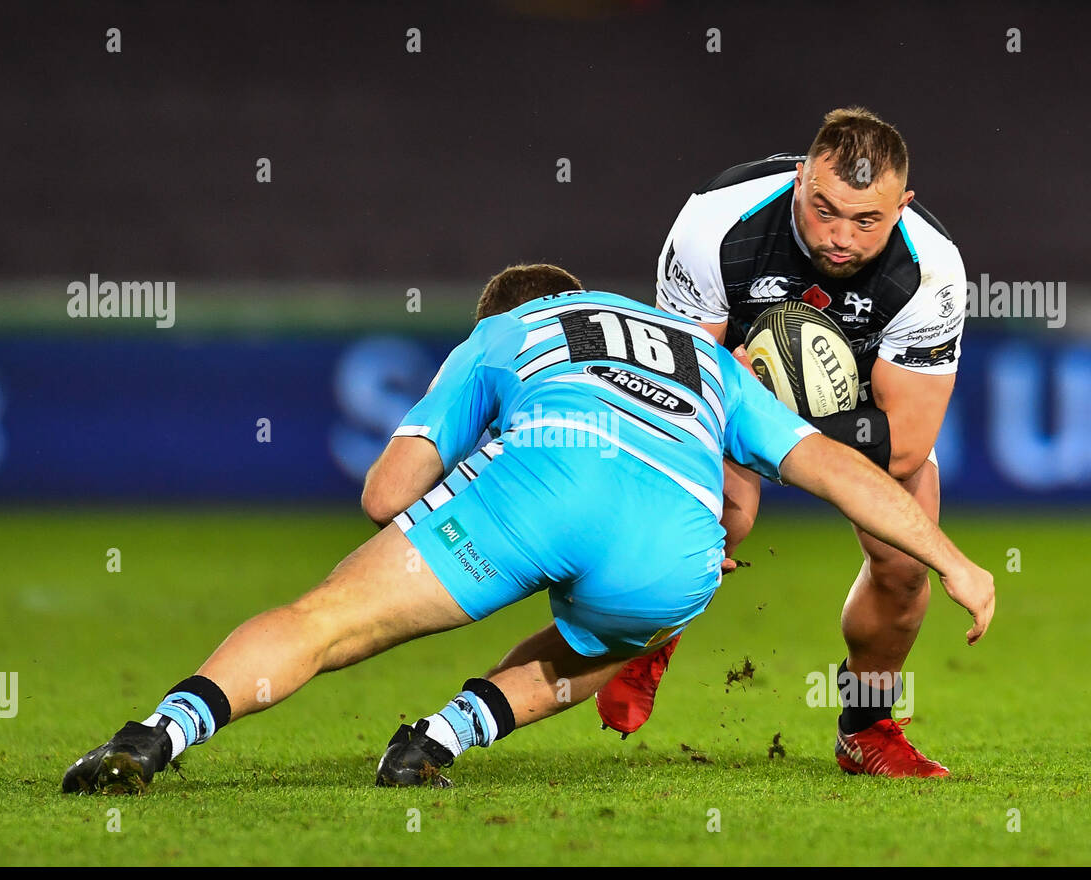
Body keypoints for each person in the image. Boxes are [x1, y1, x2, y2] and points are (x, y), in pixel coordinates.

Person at [61, 268, 992, 795]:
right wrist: (951, 561)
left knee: (326, 619)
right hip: (672, 553)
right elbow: (835, 470)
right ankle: (434, 742)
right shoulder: (705, 356)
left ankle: (153, 738)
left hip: (541, 481)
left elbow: (388, 493)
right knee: (596, 641)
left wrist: (490, 477)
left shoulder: (507, 332)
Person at [595, 107, 969, 778]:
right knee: (714, 520)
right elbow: (676, 397)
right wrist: (743, 410)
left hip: (858, 405)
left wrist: (783, 422)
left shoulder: (931, 269)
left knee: (906, 564)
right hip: (728, 384)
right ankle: (650, 633)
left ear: (903, 206)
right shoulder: (716, 223)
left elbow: (907, 446)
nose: (841, 238)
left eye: (868, 221)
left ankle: (868, 726)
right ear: (801, 177)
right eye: (826, 209)